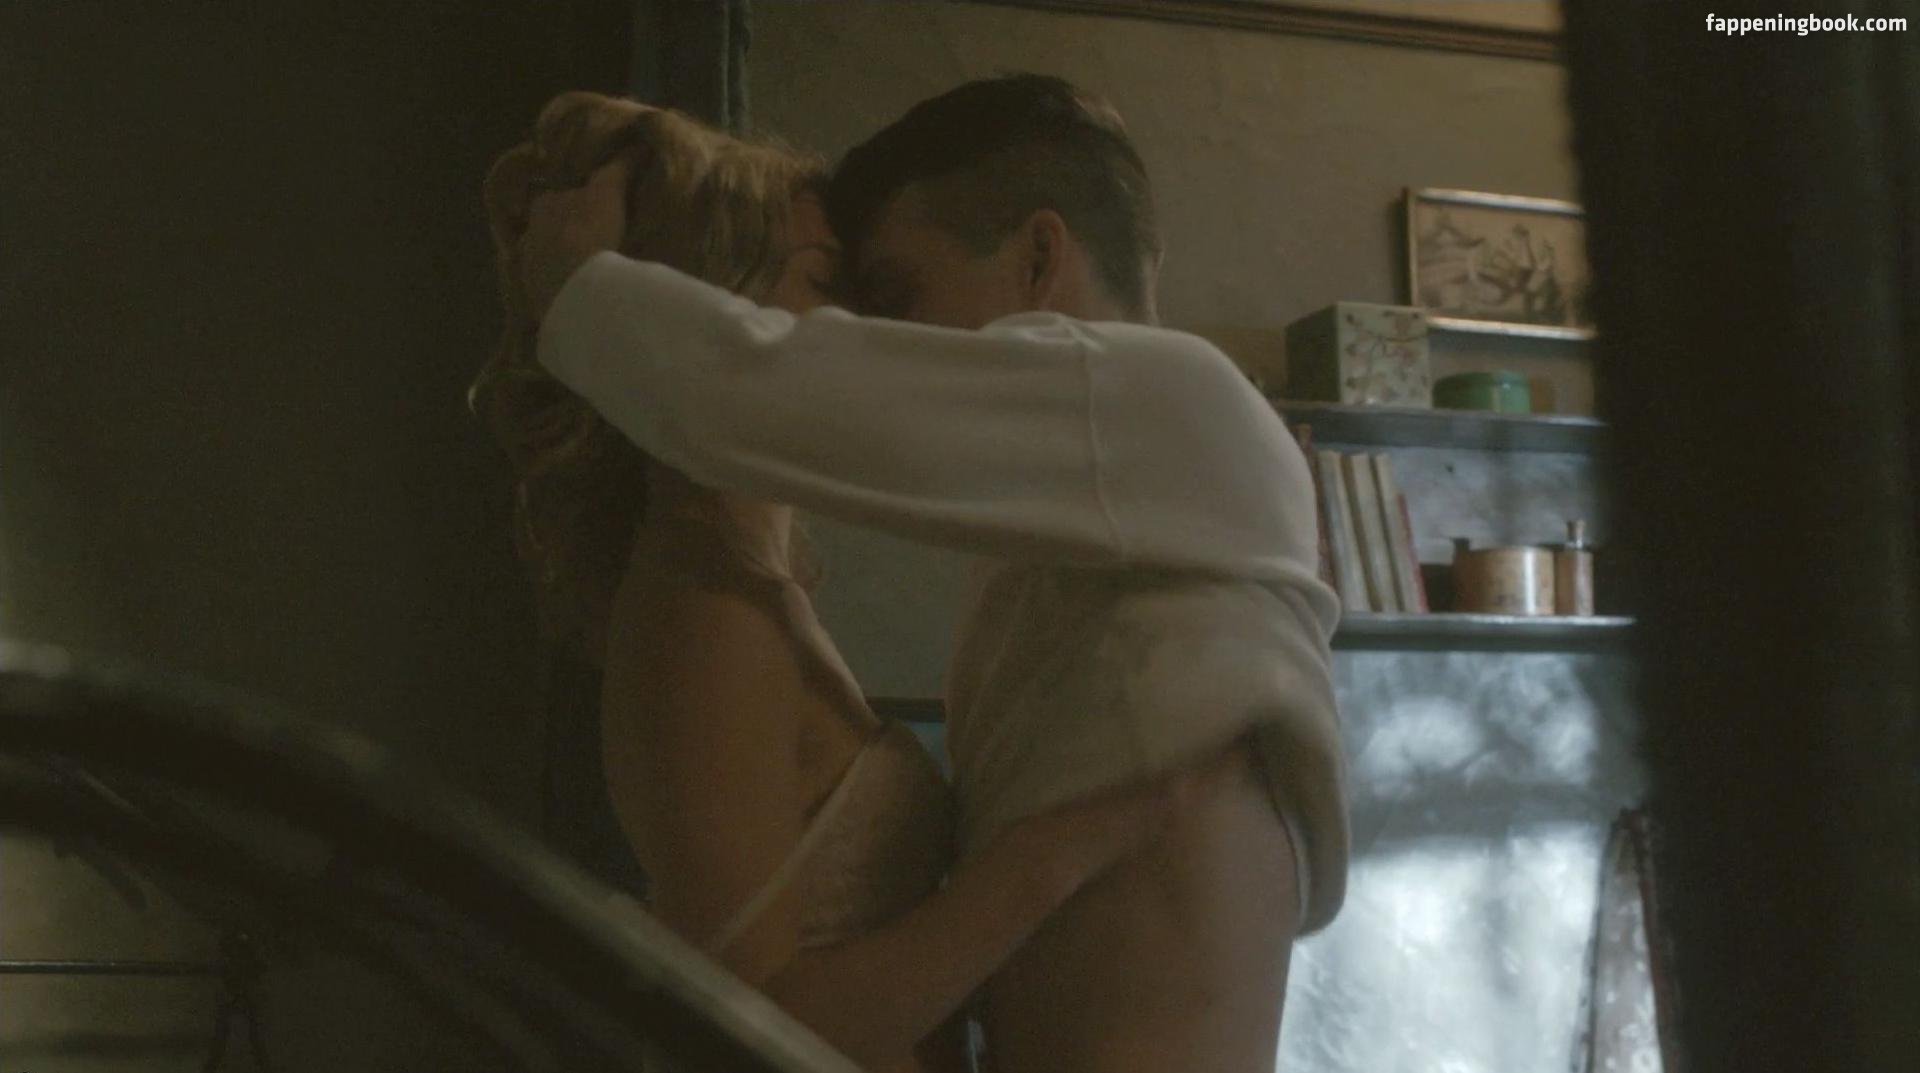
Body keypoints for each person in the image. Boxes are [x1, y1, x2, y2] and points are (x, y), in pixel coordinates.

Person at [518, 76, 1351, 1073]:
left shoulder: (1175, 397)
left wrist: (575, 284)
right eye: (843, 298)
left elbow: (747, 392)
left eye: (894, 293)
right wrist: (1049, 860)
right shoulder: (1072, 529)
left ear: (1038, 258)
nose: (873, 343)